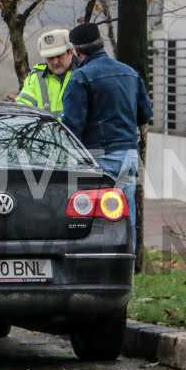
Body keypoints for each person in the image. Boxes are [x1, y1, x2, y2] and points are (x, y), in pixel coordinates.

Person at [61, 23, 152, 250]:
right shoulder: (130, 73)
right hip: (128, 156)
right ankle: (126, 267)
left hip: (98, 158)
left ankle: (98, 266)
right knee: (126, 219)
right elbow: (145, 114)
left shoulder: (80, 78)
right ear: (102, 43)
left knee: (97, 221)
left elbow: (72, 127)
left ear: (76, 51)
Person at [15, 29, 77, 119]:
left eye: (59, 56)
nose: (55, 62)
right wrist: (15, 108)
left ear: (70, 52)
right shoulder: (35, 78)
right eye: (50, 58)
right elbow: (23, 108)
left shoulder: (84, 75)